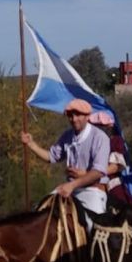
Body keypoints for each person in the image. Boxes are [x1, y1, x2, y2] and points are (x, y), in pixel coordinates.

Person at [21, 98, 110, 229]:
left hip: (92, 191)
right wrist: (31, 144)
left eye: (78, 115)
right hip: (69, 189)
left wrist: (72, 185)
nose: (74, 119)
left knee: (94, 228)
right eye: (70, 115)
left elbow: (98, 172)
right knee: (41, 211)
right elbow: (51, 156)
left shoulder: (100, 137)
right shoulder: (67, 136)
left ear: (87, 116)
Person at [87, 111, 132, 206]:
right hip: (91, 184)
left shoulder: (115, 142)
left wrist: (93, 173)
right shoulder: (90, 144)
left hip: (112, 187)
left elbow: (115, 167)